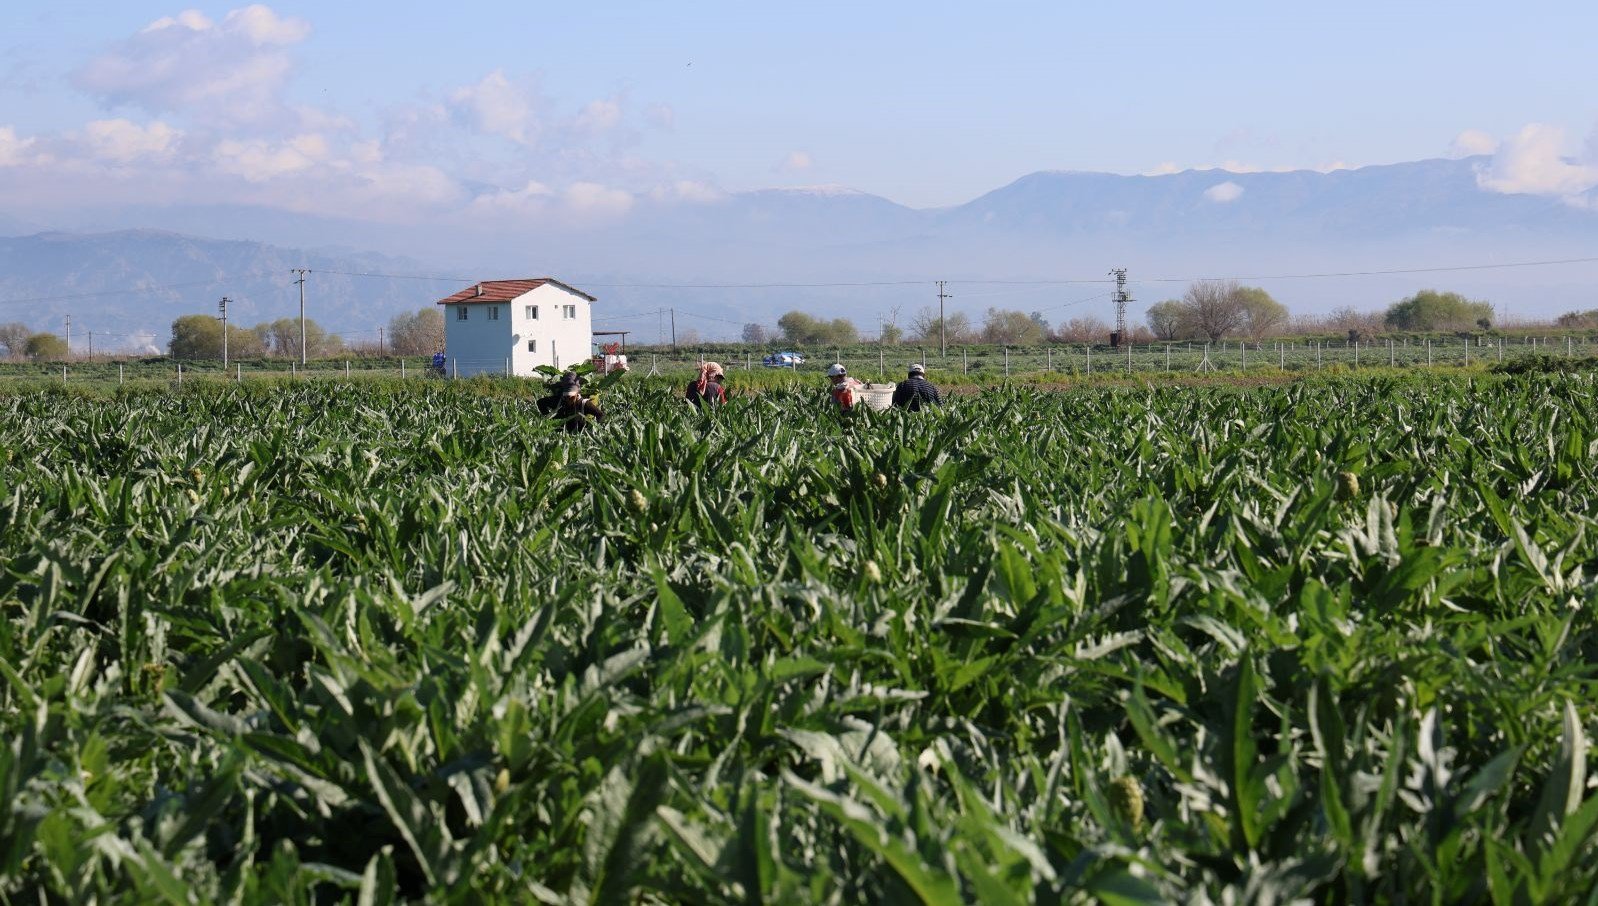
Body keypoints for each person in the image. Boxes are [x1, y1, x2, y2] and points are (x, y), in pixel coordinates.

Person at [537, 371, 603, 433]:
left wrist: (593, 427)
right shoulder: (558, 400)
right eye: (566, 396)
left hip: (579, 437)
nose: (569, 399)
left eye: (572, 396)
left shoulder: (584, 403)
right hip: (559, 437)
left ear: (577, 394)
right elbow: (540, 402)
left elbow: (600, 415)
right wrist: (549, 418)